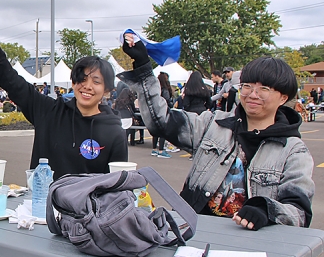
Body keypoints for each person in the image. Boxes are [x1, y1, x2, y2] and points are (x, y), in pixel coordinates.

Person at [0, 10, 127, 257]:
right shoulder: (50, 111)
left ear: (107, 90)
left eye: (96, 81)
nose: (87, 86)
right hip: (39, 210)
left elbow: (117, 186)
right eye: (82, 78)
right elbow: (10, 79)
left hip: (84, 221)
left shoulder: (113, 130)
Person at [120, 34, 315, 231]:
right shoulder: (212, 125)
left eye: (263, 88)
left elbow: (299, 212)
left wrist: (267, 210)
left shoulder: (293, 151)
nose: (252, 94)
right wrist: (143, 66)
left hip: (252, 244)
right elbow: (160, 121)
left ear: (283, 97)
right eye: (247, 86)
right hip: (193, 232)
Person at [152, 72, 173, 157]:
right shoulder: (165, 90)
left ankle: (154, 149)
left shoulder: (155, 90)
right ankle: (161, 150)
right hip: (164, 111)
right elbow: (167, 100)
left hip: (155, 111)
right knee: (163, 131)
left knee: (156, 131)